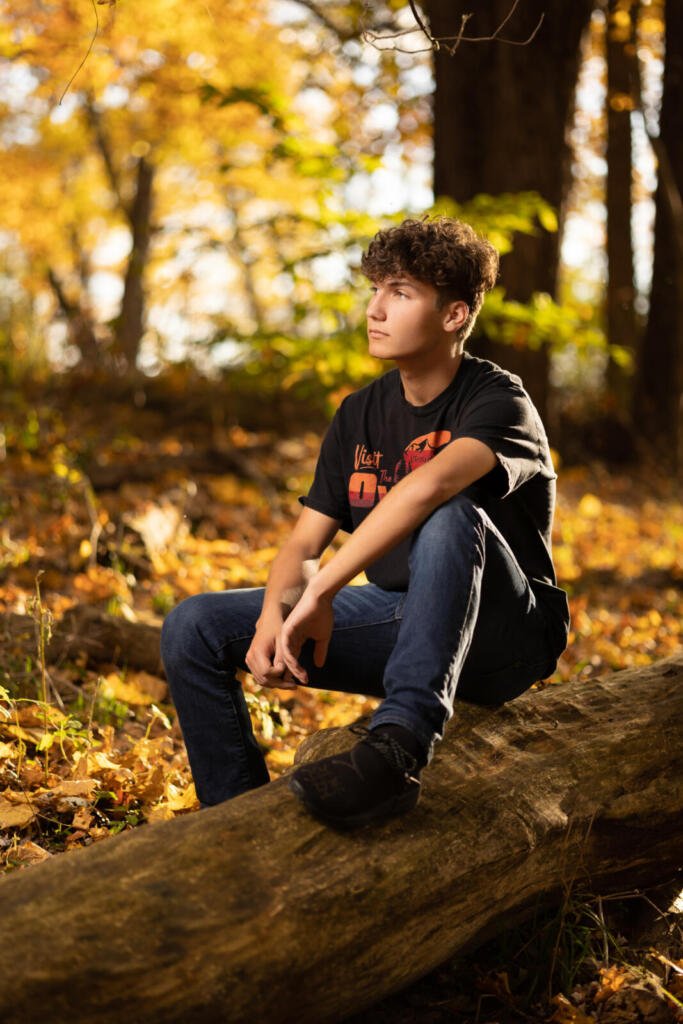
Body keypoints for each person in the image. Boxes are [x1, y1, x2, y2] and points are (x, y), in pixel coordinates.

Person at [160, 216, 570, 830]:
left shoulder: (498, 399)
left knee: (450, 512)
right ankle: (237, 823)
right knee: (194, 627)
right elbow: (304, 539)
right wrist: (277, 611)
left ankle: (398, 753)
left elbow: (430, 485)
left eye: (400, 293)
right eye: (375, 289)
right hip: (403, 619)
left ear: (454, 315)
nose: (375, 309)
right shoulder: (360, 412)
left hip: (502, 637)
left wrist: (323, 590)